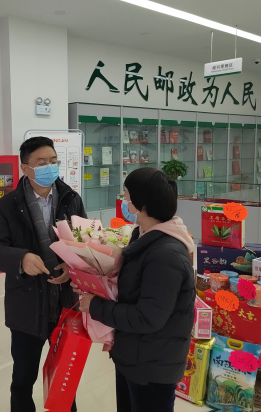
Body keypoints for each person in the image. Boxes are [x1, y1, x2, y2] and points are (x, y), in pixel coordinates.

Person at [75, 168, 195, 412]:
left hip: (152, 365)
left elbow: (147, 317)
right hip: (136, 354)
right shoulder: (144, 235)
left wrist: (95, 306)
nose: (124, 201)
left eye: (127, 196)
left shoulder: (165, 254)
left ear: (143, 204)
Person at [0, 136, 87, 412]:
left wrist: (73, 267)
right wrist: (21, 258)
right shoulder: (8, 206)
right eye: (41, 163)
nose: (49, 167)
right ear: (25, 168)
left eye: (53, 161)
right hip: (26, 306)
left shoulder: (70, 199)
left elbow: (85, 241)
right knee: (23, 378)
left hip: (64, 304)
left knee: (64, 377)